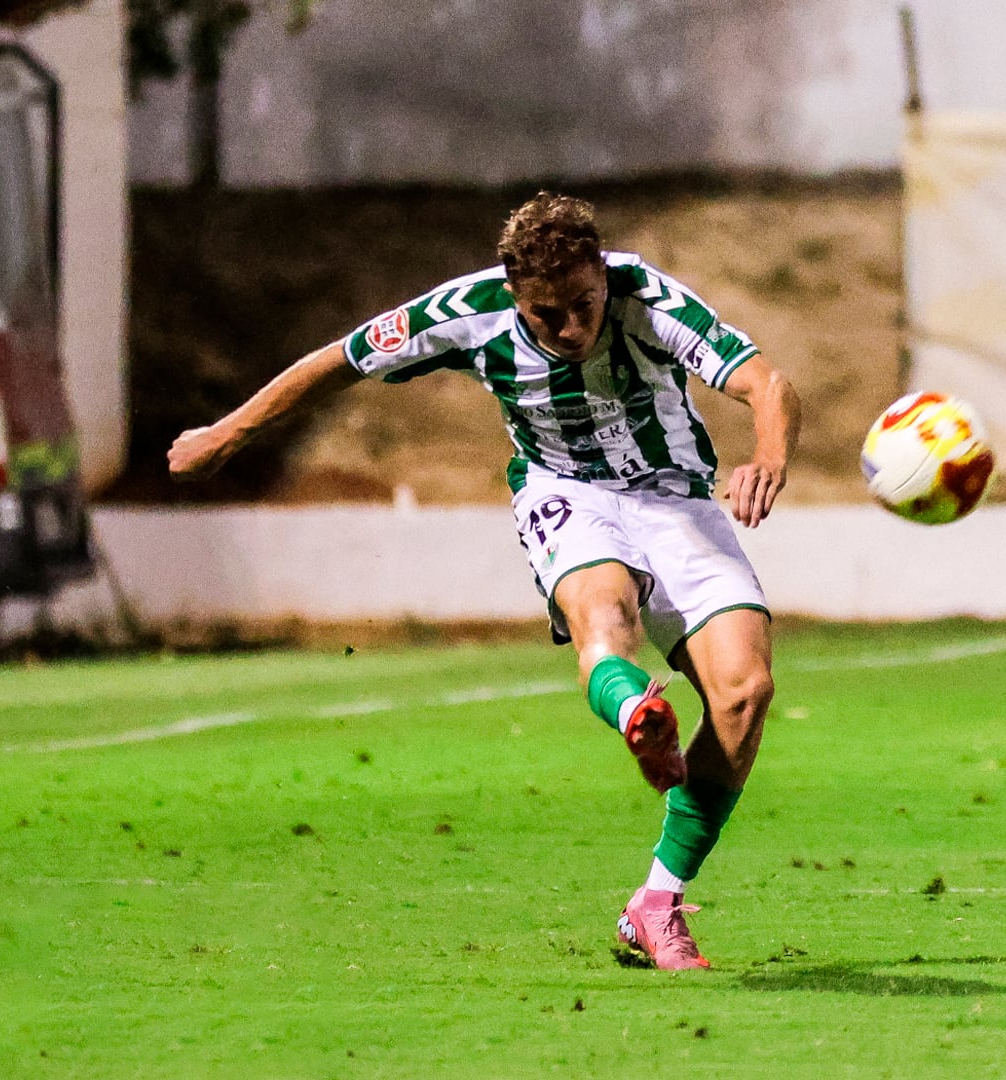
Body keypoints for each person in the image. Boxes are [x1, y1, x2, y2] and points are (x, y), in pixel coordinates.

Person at [168, 193, 800, 970]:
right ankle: (636, 708)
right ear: (513, 296)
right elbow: (339, 359)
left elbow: (766, 384)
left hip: (674, 496)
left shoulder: (647, 296)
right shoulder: (464, 312)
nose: (568, 328)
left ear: (603, 273)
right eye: (546, 314)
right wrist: (227, 433)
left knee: (743, 692)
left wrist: (767, 456)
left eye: (582, 305)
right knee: (605, 610)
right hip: (566, 493)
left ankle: (655, 903)